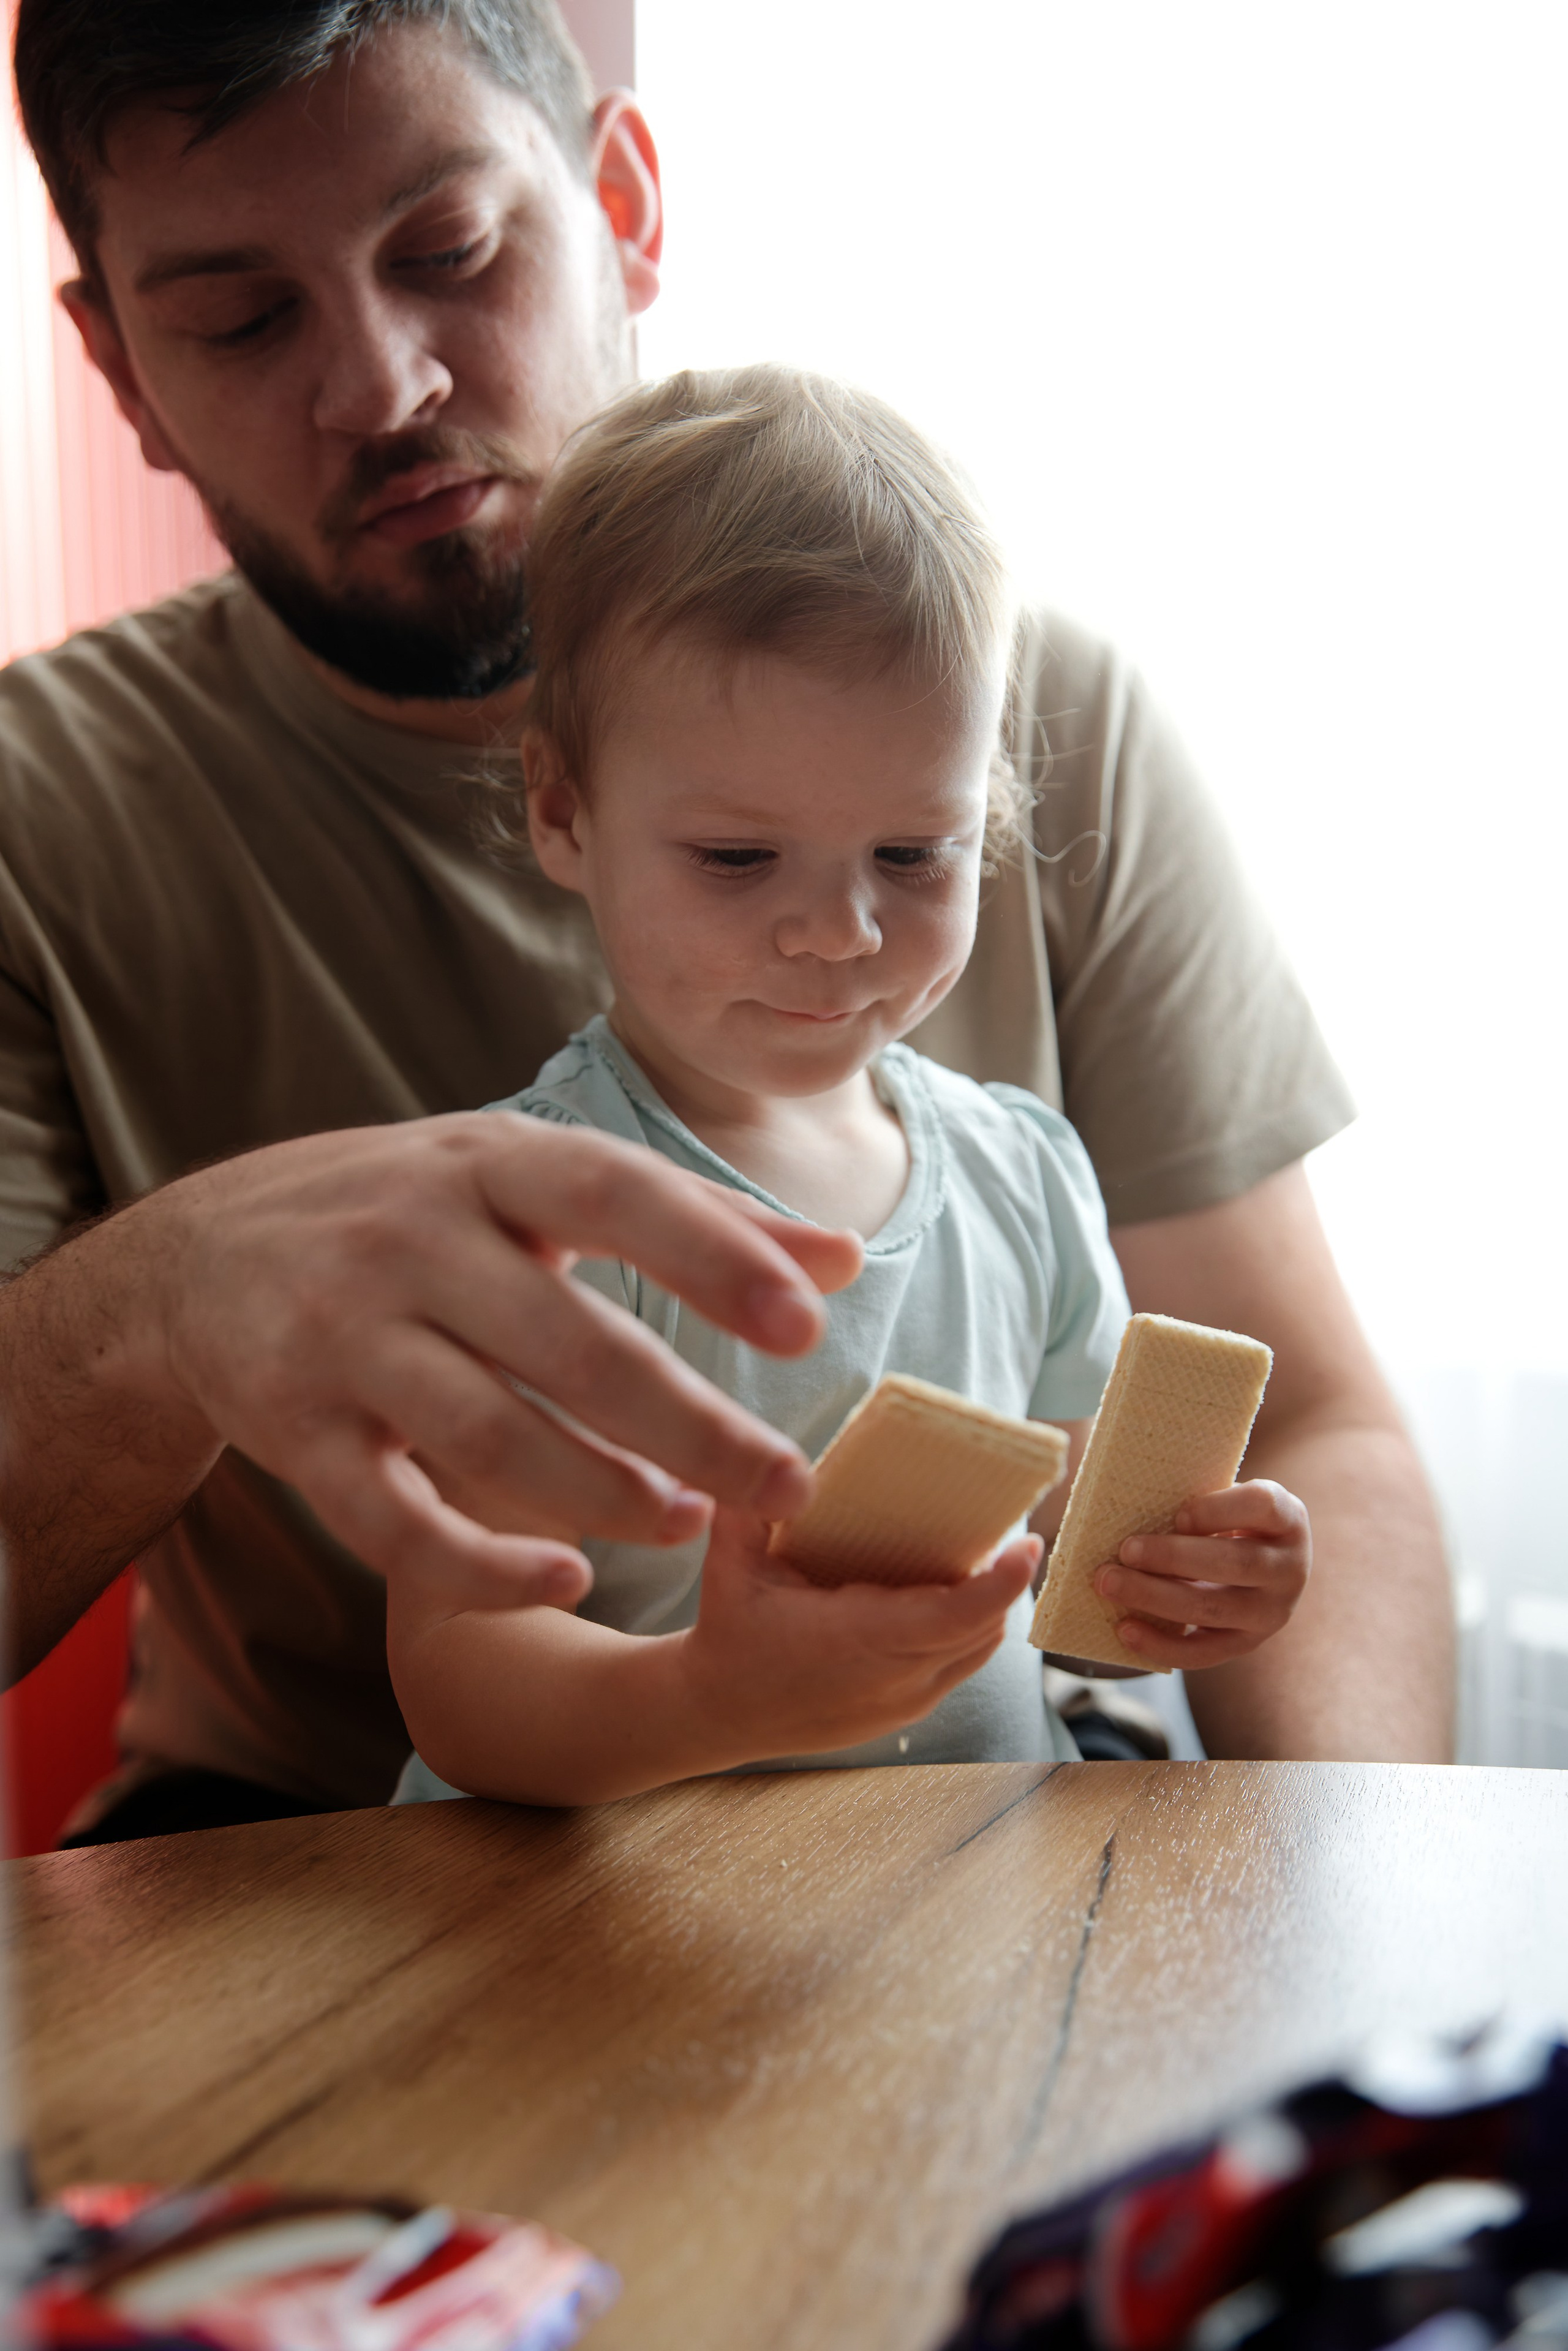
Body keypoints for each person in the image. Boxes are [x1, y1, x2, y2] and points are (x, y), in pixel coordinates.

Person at [0, 0, 1449, 1845]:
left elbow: (1263, 1437)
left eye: (451, 254)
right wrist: (178, 1299)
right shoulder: (51, 823)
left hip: (963, 1852)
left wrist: (1328, 1872)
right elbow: (469, 1661)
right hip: (396, 1863)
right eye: (239, 313)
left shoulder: (1025, 834)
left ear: (622, 200)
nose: (380, 386)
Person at [389, 364, 1313, 1806]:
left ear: (985, 815)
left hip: (952, 1903)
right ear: (562, 811)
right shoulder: (532, 1221)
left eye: (910, 855)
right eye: (738, 859)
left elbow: (1073, 1587)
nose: (840, 931)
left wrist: (1192, 1587)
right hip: (595, 1937)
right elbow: (459, 1674)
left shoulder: (1023, 1174)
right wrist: (710, 1693)